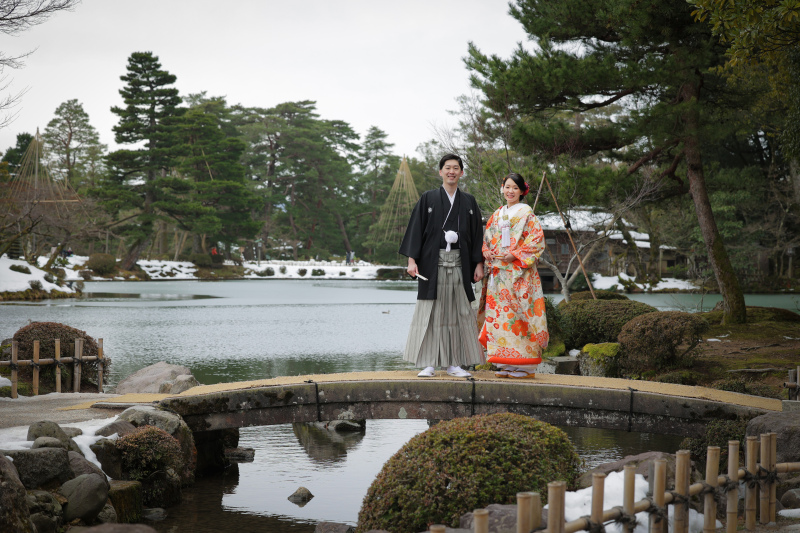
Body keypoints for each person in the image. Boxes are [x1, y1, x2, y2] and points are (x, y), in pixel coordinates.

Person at [399, 154, 485, 378]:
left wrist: (479, 264)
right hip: (432, 263)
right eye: (447, 168)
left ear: (462, 173)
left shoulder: (469, 201)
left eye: (456, 168)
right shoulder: (428, 198)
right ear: (440, 172)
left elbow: (477, 235)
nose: (451, 172)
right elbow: (416, 229)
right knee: (431, 312)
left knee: (457, 313)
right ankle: (429, 363)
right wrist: (411, 260)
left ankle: (453, 364)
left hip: (460, 263)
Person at [478, 172, 548, 378]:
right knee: (499, 317)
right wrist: (487, 252)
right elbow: (487, 239)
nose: (510, 191)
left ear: (522, 191)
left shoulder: (527, 214)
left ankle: (525, 366)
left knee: (521, 315)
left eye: (515, 188)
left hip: (520, 273)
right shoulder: (497, 214)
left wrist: (515, 255)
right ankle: (504, 363)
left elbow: (536, 241)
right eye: (507, 187)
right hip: (499, 274)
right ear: (502, 188)